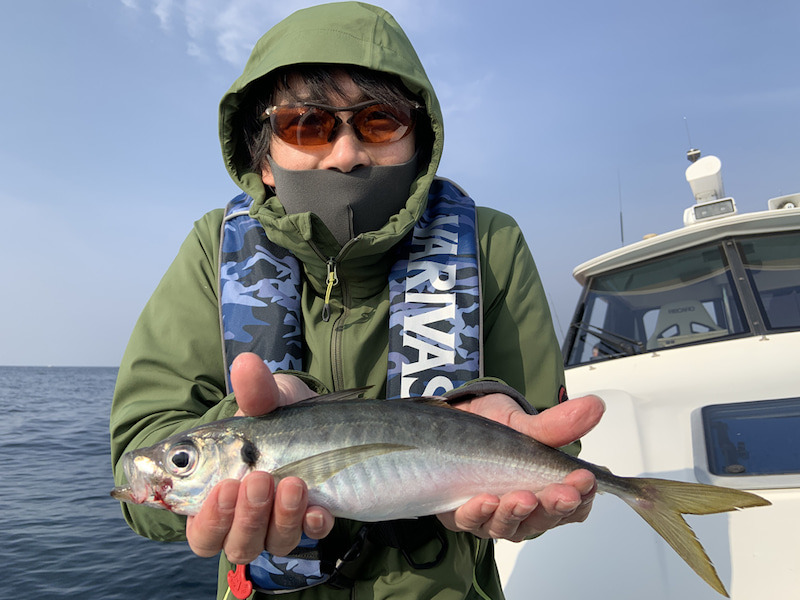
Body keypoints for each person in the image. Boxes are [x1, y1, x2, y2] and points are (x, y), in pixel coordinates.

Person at [110, 3, 604, 599]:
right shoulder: (212, 251)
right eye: (306, 125)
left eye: (379, 121)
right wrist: (247, 426)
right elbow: (139, 479)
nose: (346, 154)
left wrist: (507, 436)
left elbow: (553, 454)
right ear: (263, 159)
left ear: (420, 142)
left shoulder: (489, 243)